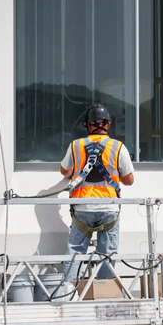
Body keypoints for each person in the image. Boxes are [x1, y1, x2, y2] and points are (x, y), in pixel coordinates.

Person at [60, 104, 135, 283]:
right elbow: (129, 180)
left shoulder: (75, 145)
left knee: (75, 251)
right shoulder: (118, 147)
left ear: (88, 125)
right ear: (108, 125)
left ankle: (68, 291)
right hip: (108, 207)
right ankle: (103, 291)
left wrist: (79, 172)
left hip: (82, 208)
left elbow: (64, 170)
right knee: (107, 255)